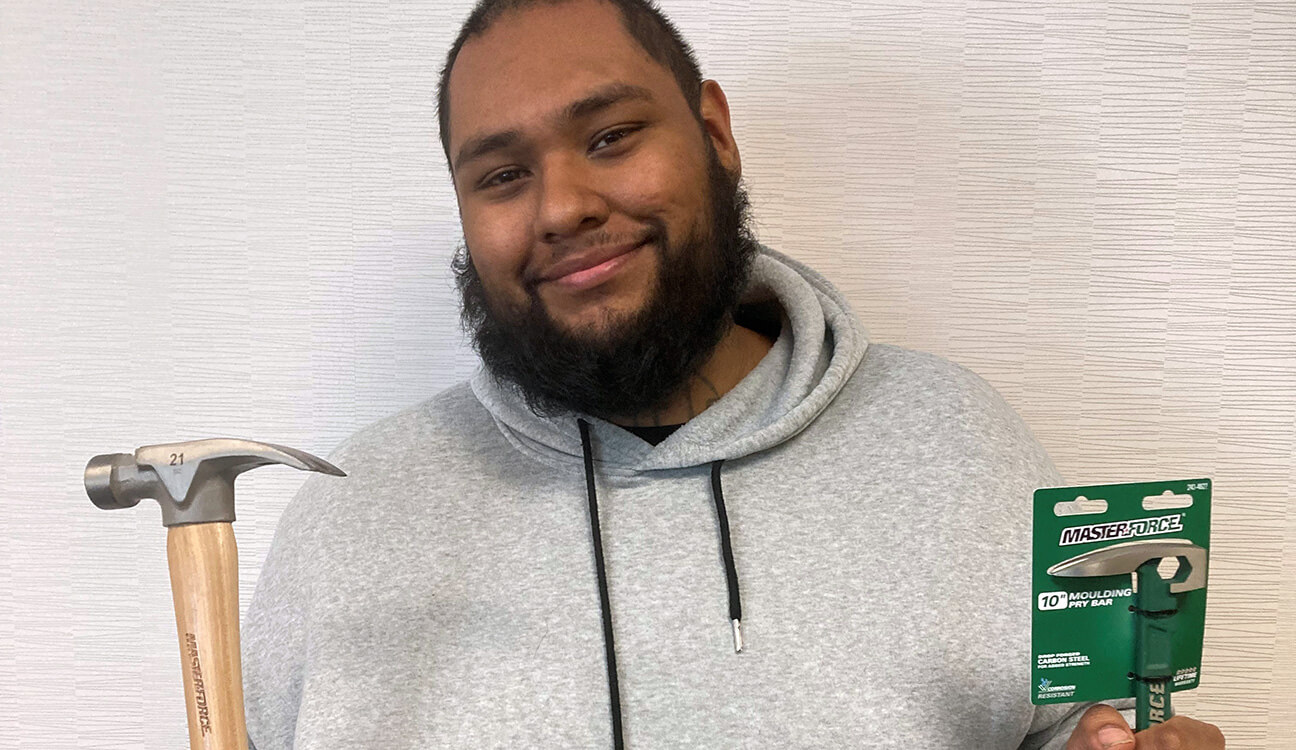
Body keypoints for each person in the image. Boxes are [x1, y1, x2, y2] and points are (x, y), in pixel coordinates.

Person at [242, 1, 1225, 747]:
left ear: (712, 130)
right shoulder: (348, 513)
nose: (562, 206)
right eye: (501, 175)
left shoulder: (966, 446)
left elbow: (1077, 729)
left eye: (611, 136)